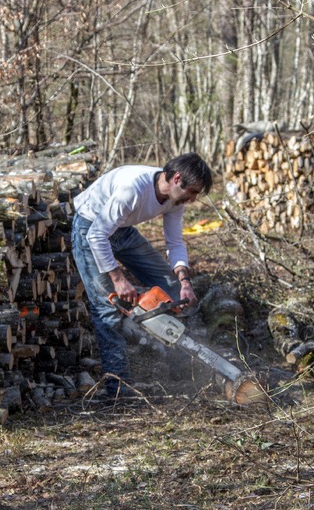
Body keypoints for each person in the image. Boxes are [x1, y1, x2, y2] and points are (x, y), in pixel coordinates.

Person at [71, 152, 214, 397]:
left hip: (122, 230)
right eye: (192, 192)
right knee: (107, 309)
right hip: (90, 226)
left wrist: (184, 282)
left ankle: (184, 364)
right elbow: (96, 235)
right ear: (177, 178)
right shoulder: (133, 188)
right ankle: (119, 391)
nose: (191, 199)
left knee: (170, 288)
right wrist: (118, 278)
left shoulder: (174, 199)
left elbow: (175, 242)